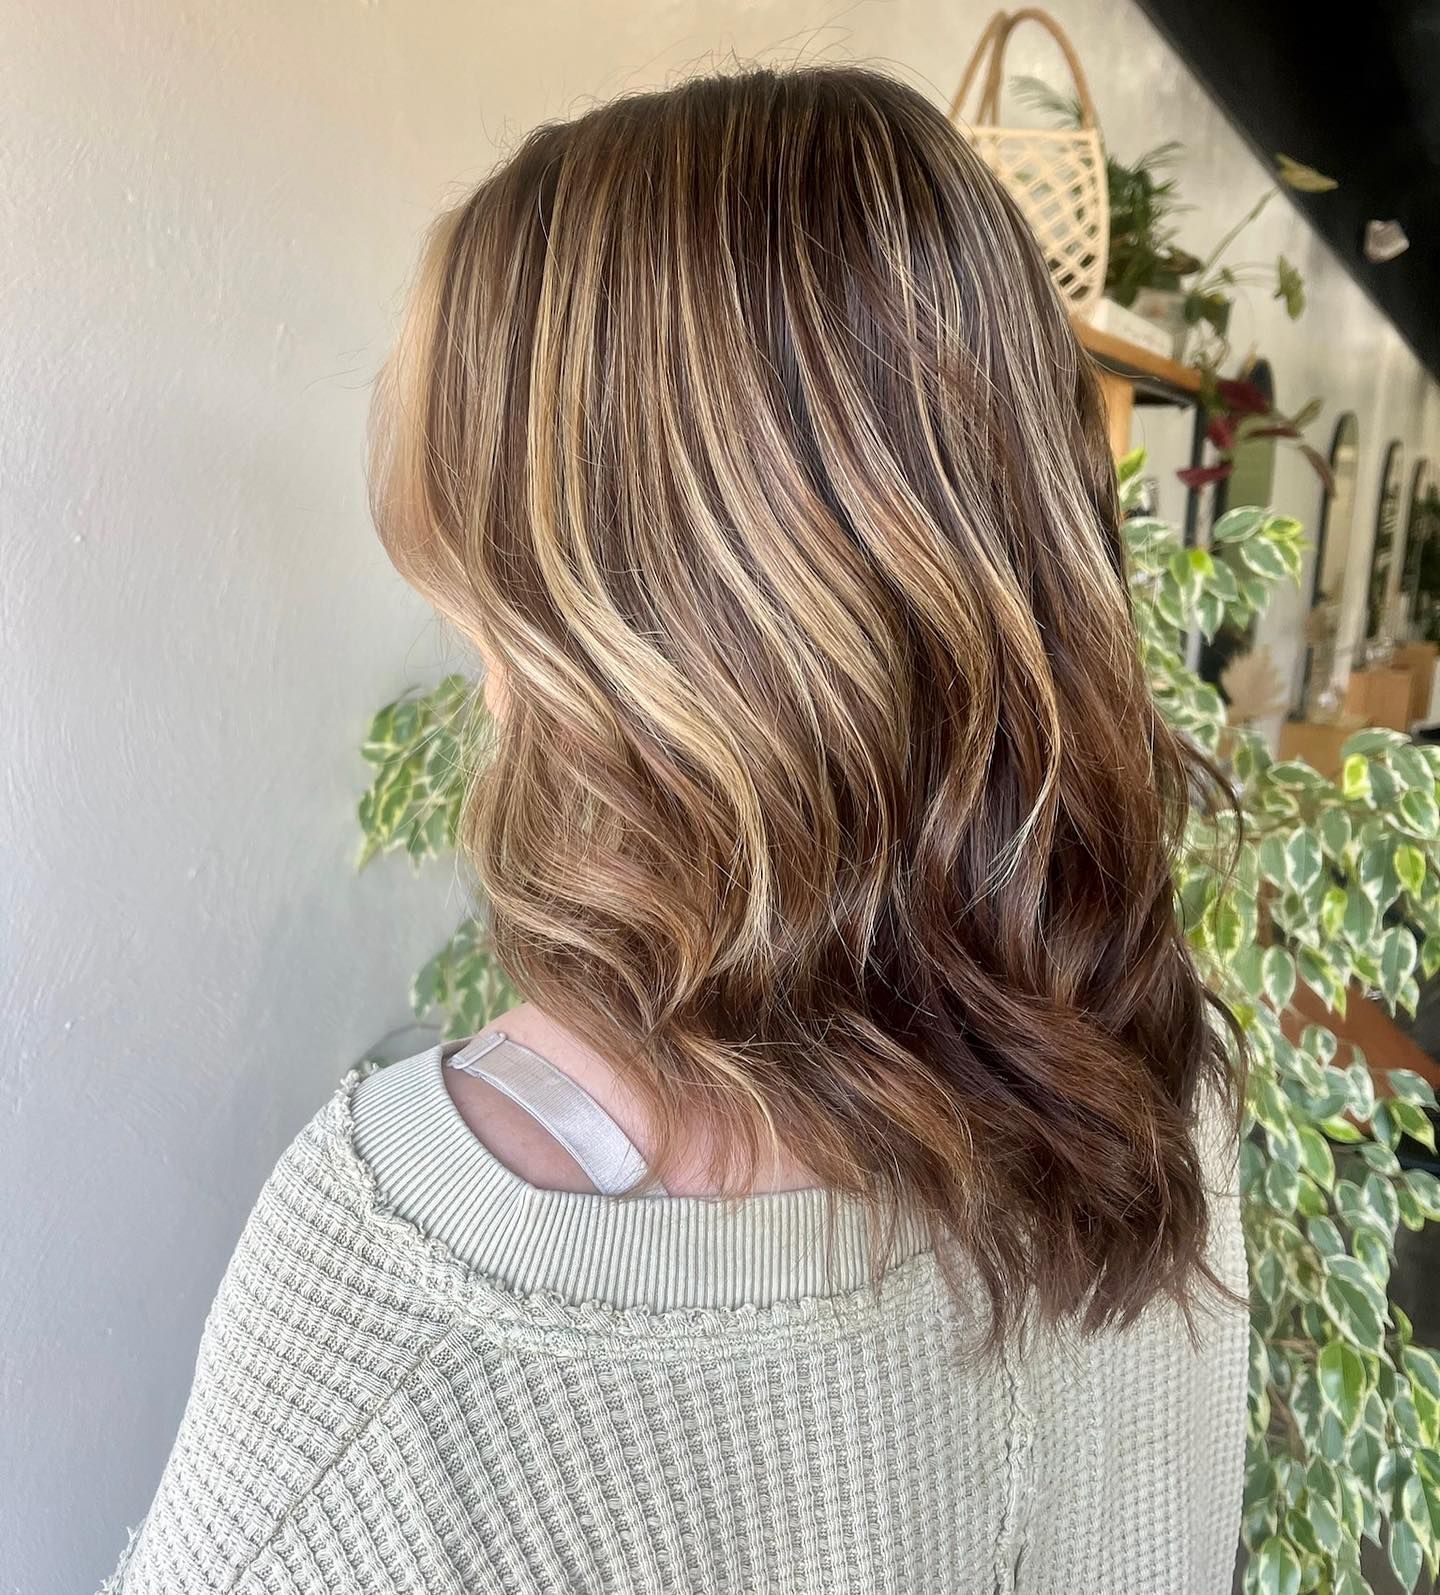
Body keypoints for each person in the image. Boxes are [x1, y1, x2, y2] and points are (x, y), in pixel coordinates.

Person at [101, 64, 1248, 1595]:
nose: (493, 694)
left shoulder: (405, 1297)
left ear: (621, 651)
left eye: (493, 614)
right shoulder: (1144, 1105)